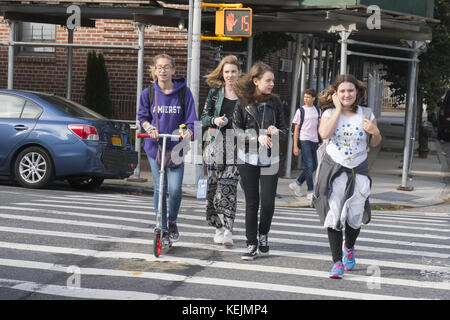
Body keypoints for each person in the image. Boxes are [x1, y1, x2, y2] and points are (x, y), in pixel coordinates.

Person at [312, 74, 382, 279]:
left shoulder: (366, 113)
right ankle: (337, 262)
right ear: (335, 94)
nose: (346, 94)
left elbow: (374, 143)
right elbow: (324, 134)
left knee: (354, 216)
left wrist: (375, 131)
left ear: (357, 92)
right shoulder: (328, 114)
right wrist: (337, 110)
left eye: (350, 90)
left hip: (359, 169)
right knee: (334, 215)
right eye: (342, 91)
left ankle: (349, 247)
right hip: (335, 170)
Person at [137, 54, 197, 246]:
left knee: (175, 189)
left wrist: (188, 131)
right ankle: (161, 227)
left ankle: (172, 221)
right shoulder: (148, 93)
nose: (163, 71)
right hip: (156, 147)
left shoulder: (184, 92)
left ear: (173, 70)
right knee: (159, 188)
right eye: (159, 67)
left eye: (166, 67)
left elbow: (191, 119)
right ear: (154, 71)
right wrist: (149, 129)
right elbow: (142, 117)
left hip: (177, 146)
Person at [232, 62, 288, 260]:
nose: (272, 84)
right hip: (247, 157)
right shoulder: (242, 102)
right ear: (256, 81)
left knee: (267, 202)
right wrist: (257, 136)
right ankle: (251, 243)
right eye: (268, 80)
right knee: (251, 202)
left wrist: (276, 131)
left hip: (270, 158)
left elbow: (285, 130)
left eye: (273, 80)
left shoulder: (275, 103)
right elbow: (236, 131)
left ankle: (263, 234)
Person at [200, 55, 242, 247]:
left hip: (236, 146)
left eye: (233, 71)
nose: (230, 75)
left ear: (239, 73)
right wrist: (215, 120)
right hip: (217, 145)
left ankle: (228, 230)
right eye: (227, 72)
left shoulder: (245, 94)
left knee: (229, 187)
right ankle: (217, 227)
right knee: (215, 188)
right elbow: (204, 117)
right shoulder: (215, 93)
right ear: (222, 73)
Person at [288, 88, 321, 200]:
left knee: (315, 165)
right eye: (305, 97)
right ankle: (310, 191)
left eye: (308, 97)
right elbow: (296, 129)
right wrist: (295, 146)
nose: (305, 99)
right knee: (309, 165)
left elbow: (319, 126)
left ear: (313, 98)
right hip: (304, 139)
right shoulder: (300, 111)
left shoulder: (317, 110)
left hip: (314, 140)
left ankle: (297, 183)